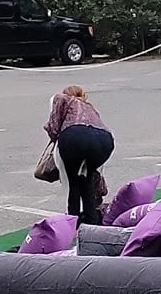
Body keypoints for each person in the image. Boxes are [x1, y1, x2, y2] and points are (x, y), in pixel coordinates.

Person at [45, 85, 114, 222]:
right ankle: (92, 220)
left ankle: (72, 220)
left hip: (74, 136)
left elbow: (54, 127)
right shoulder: (89, 107)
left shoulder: (62, 99)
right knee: (87, 178)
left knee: (73, 181)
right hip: (104, 140)